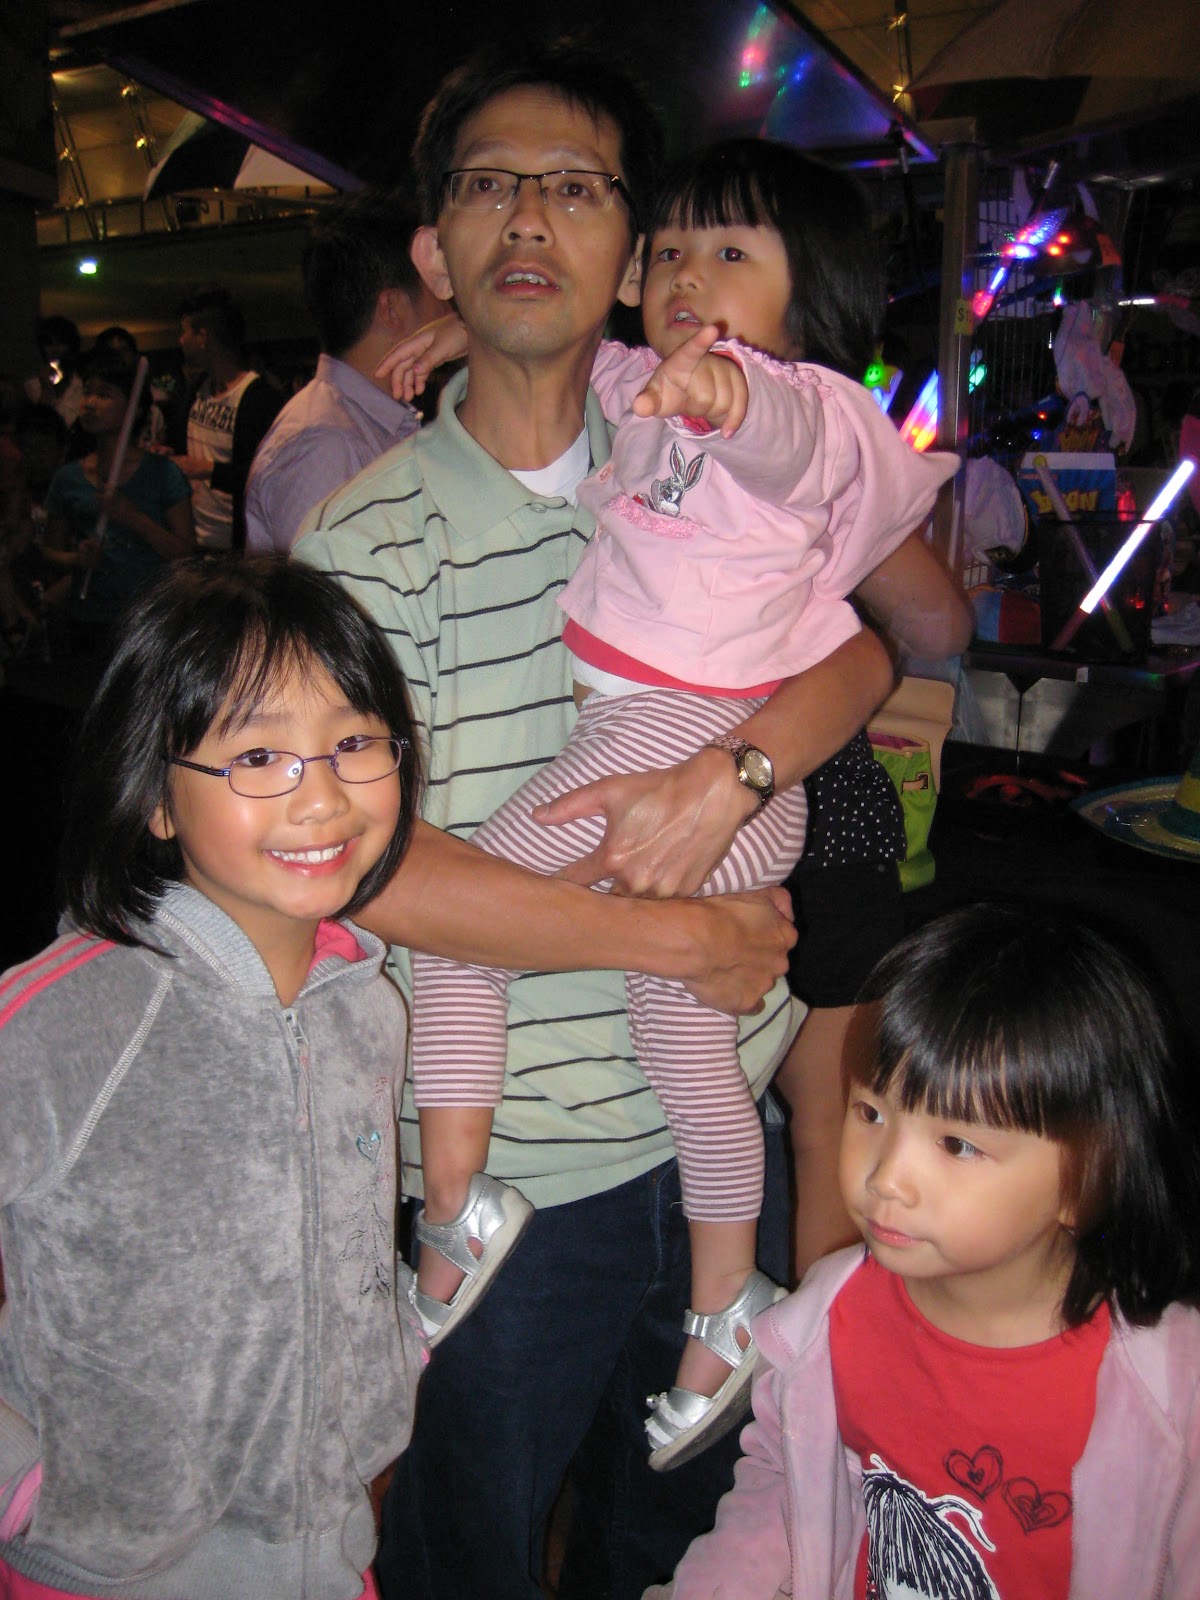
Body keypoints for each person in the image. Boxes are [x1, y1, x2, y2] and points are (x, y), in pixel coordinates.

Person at [294, 44, 906, 1600]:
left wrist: (732, 778)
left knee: (684, 1562)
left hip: (717, 1128)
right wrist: (673, 934)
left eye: (575, 189)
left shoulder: (692, 462)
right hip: (523, 1181)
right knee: (469, 1564)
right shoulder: (358, 545)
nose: (529, 218)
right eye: (489, 186)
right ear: (433, 248)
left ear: (634, 258)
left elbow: (863, 655)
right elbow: (366, 864)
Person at [385, 136, 957, 1469]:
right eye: (675, 251)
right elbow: (578, 360)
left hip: (684, 736)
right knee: (690, 1059)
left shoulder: (806, 409)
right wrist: (466, 336)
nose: (690, 275)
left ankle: (455, 1208)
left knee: (465, 928)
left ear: (812, 294)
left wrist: (727, 393)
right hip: (687, 753)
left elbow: (783, 436)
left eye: (733, 253)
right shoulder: (646, 381)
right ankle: (725, 1301)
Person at [0, 556, 426, 1597]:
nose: (322, 795)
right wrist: (23, 1482)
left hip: (328, 1556)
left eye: (354, 742)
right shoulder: (71, 1018)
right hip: (107, 1569)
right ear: (156, 796)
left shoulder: (367, 1004)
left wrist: (384, 1394)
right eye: (259, 755)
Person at [649, 902, 1200, 1600]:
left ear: (1089, 1178)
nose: (886, 1178)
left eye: (958, 1145)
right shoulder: (829, 1317)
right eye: (871, 1113)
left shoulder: (1170, 1389)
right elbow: (782, 1483)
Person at [245, 188, 444, 555]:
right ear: (392, 308)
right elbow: (323, 589)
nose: (449, 306)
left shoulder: (367, 424)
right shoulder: (326, 445)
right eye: (437, 289)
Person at [43, 346, 194, 659]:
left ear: (135, 409)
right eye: (87, 392)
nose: (89, 403)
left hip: (149, 620)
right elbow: (48, 551)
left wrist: (132, 517)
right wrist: (76, 558)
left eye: (104, 394)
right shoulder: (68, 478)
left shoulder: (163, 473)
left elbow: (185, 553)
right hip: (88, 620)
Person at [175, 287, 282, 551]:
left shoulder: (258, 398)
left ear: (203, 337)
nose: (180, 340)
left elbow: (268, 475)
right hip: (195, 539)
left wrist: (209, 470)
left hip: (235, 545)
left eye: (185, 332)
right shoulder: (197, 390)